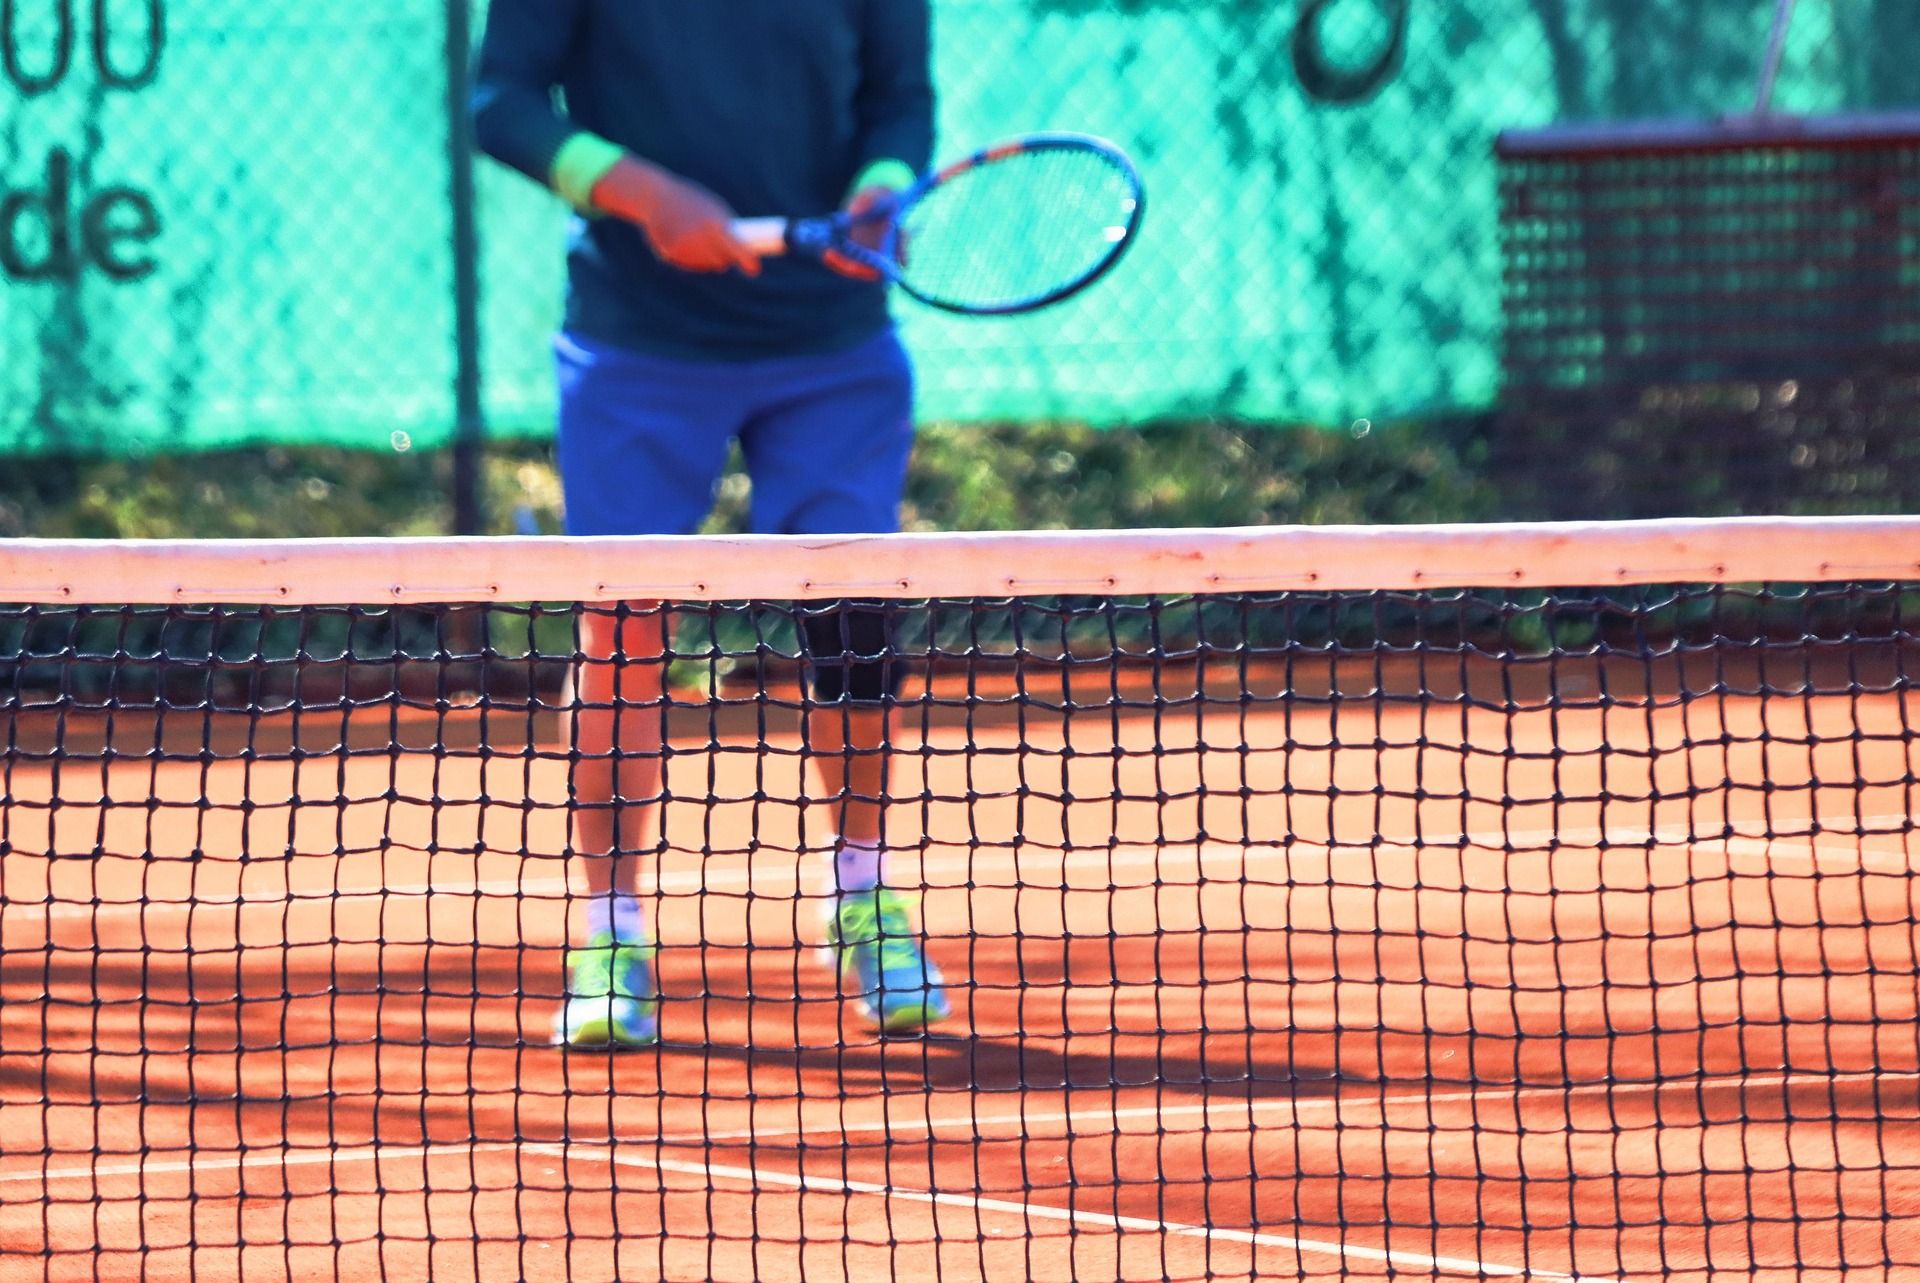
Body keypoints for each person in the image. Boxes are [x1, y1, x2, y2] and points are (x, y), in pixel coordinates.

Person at [471, 0, 948, 1048]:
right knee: (624, 622)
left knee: (855, 617)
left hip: (832, 341)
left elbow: (899, 104)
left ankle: (862, 898)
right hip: (637, 343)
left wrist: (878, 191)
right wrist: (641, 192)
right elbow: (499, 105)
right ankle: (609, 931)